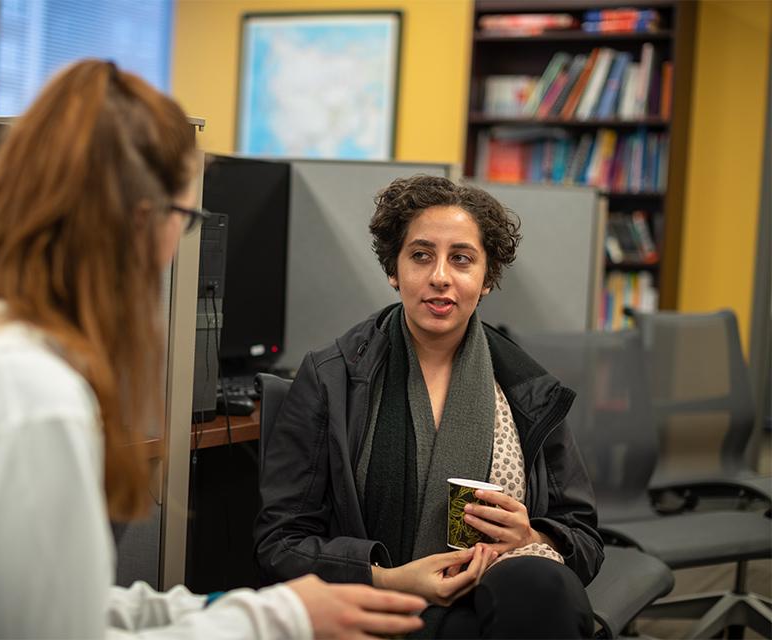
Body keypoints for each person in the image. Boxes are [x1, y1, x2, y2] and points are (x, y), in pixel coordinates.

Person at [0, 60, 429, 640]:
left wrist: (250, 607)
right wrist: (280, 621)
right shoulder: (23, 389)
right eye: (186, 218)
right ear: (141, 220)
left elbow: (40, 598)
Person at [254, 175, 604, 638]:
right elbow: (281, 542)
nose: (440, 276)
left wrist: (532, 537)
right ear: (393, 270)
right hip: (377, 604)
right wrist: (389, 576)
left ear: (487, 278)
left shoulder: (526, 388)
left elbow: (584, 540)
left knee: (543, 586)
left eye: (461, 259)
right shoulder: (331, 377)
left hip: (498, 602)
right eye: (421, 256)